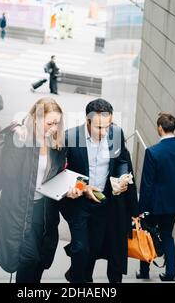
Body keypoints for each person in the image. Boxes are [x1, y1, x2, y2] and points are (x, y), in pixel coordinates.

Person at [60, 99, 138, 283]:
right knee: (81, 248)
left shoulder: (116, 134)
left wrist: (121, 178)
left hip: (103, 202)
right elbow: (62, 172)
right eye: (99, 127)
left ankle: (80, 276)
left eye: (108, 126)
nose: (104, 132)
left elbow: (121, 161)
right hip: (78, 203)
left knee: (93, 249)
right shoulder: (70, 137)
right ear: (87, 121)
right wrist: (83, 188)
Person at [0, 97, 67, 283]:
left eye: (56, 123)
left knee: (40, 261)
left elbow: (57, 175)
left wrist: (70, 188)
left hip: (44, 213)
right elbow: (8, 174)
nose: (53, 128)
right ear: (36, 118)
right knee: (29, 259)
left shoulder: (56, 144)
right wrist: (18, 139)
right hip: (19, 212)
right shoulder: (20, 137)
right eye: (49, 123)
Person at [137, 112, 175, 282]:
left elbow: (146, 185)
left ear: (160, 128)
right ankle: (170, 274)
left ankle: (145, 272)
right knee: (167, 235)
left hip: (155, 204)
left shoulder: (153, 152)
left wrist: (141, 210)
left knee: (147, 234)